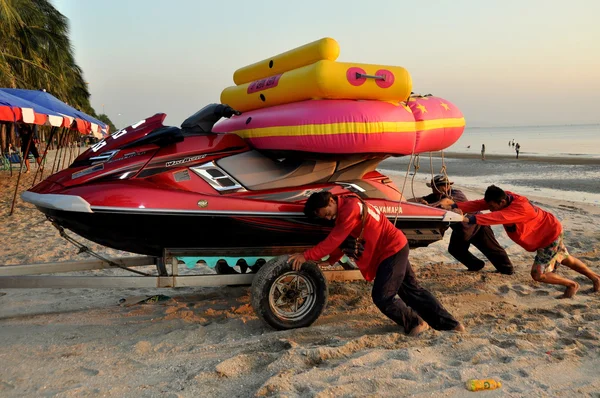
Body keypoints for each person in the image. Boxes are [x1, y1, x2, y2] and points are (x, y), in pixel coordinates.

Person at [288, 192, 465, 336]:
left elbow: (335, 238)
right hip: (393, 247)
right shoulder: (347, 205)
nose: (328, 218)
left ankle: (416, 323)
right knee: (412, 291)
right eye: (324, 218)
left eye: (327, 213)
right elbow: (344, 239)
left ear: (332, 200)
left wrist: (307, 256)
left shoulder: (349, 208)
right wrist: (328, 260)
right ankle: (451, 325)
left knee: (383, 296)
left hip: (392, 250)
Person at [438, 185, 600, 298]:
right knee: (565, 259)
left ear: (502, 202)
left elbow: (495, 217)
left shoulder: (520, 208)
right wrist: (455, 204)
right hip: (548, 230)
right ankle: (596, 278)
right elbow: (480, 203)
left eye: (493, 206)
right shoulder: (505, 197)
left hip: (548, 236)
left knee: (538, 274)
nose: (491, 208)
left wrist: (468, 218)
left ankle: (571, 285)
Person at [410, 175, 513, 274]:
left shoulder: (457, 194)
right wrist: (420, 201)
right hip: (461, 230)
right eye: (432, 187)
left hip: (477, 227)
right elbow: (417, 199)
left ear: (445, 186)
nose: (432, 189)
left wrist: (431, 205)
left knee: (492, 249)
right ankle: (476, 264)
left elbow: (447, 202)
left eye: (434, 187)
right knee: (455, 250)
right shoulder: (435, 196)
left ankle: (507, 269)